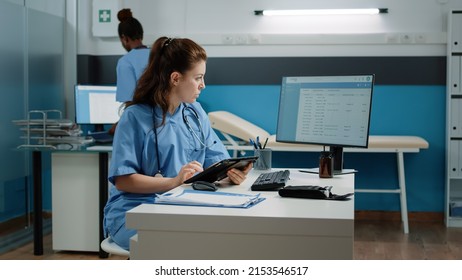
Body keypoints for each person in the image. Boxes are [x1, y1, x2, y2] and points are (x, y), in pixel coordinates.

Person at [103, 37, 253, 250]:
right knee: (187, 244)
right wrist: (174, 181)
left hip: (183, 205)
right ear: (175, 78)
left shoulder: (195, 112)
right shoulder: (134, 117)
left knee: (223, 237)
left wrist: (232, 173)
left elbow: (217, 161)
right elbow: (124, 181)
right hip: (136, 211)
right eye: (198, 77)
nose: (203, 85)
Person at [115, 8, 150, 103]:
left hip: (140, 115)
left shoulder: (125, 62)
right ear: (141, 34)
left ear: (124, 38)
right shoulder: (159, 54)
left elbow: (128, 102)